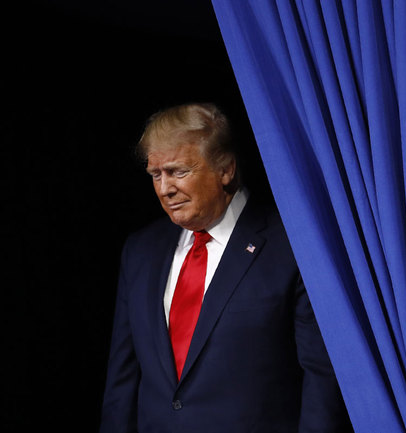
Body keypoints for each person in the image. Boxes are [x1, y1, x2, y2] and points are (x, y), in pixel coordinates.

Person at [100, 103, 352, 432]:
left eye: (178, 171)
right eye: (155, 175)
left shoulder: (293, 245)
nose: (165, 189)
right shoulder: (140, 251)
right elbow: (123, 379)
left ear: (226, 169)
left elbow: (321, 378)